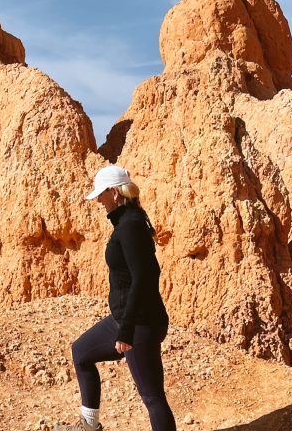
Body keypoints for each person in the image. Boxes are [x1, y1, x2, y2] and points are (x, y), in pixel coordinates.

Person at [56, 165, 176, 431]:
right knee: (81, 352)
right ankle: (89, 425)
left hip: (139, 323)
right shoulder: (129, 221)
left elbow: (144, 278)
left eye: (101, 195)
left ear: (114, 192)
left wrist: (126, 330)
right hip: (128, 318)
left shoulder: (130, 226)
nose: (98, 200)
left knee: (153, 397)